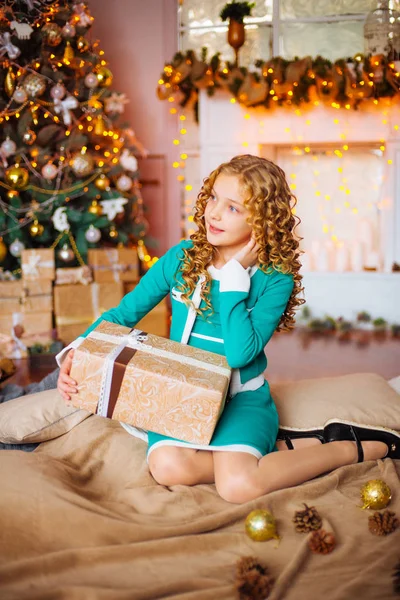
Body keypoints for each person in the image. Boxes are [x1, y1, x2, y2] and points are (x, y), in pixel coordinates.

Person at [57, 154, 399, 504]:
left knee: (238, 487)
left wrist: (234, 282)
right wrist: (76, 352)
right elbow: (124, 314)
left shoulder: (274, 279)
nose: (214, 212)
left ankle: (343, 448)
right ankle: (281, 451)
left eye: (233, 208)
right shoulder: (182, 258)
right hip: (183, 392)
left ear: (263, 220)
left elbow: (239, 353)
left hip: (241, 399)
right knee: (167, 467)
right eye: (214, 198)